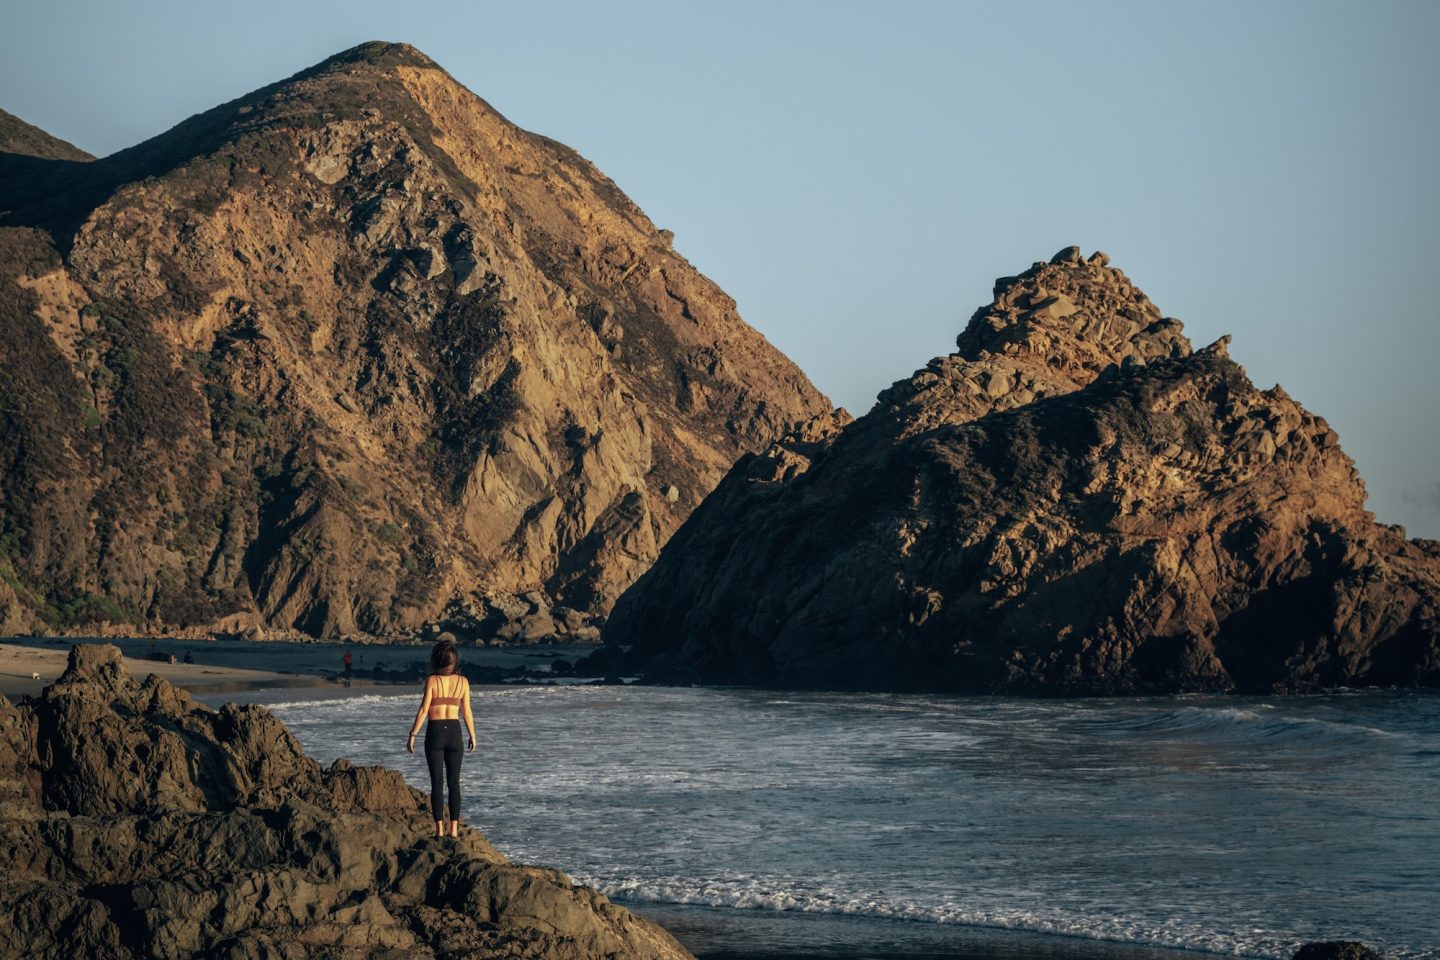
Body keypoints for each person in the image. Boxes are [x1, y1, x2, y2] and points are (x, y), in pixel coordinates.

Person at [406, 640, 476, 838]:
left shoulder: (432, 680)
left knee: (436, 783)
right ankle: (453, 831)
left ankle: (439, 830)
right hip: (455, 733)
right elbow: (467, 713)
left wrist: (413, 735)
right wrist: (473, 735)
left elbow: (423, 710)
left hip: (435, 733)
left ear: (437, 660)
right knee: (454, 783)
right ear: (455, 662)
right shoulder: (463, 682)